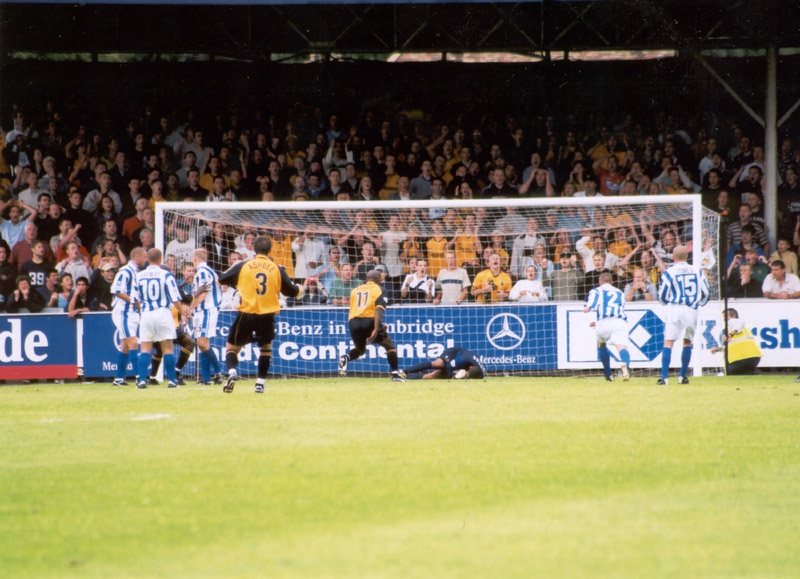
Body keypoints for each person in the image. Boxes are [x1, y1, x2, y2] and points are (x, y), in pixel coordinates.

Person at [219, 236, 303, 394]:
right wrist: (300, 289)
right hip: (267, 314)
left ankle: (232, 373)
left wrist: (234, 269)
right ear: (270, 250)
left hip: (247, 312)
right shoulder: (276, 268)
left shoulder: (244, 265)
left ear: (254, 249)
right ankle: (260, 384)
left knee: (231, 347)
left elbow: (221, 279)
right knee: (266, 348)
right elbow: (291, 292)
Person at [337, 269, 405, 382]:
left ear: (367, 278)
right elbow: (378, 309)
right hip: (369, 321)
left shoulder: (355, 290)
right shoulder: (380, 289)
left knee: (360, 349)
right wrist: (376, 327)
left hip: (353, 322)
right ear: (379, 279)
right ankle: (395, 375)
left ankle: (345, 358)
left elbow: (358, 309)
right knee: (390, 346)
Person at [657, 246, 710, 386]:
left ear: (673, 257)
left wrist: (666, 303)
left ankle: (664, 378)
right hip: (691, 310)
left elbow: (662, 295)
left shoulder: (670, 272)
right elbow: (706, 292)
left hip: (675, 308)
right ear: (687, 256)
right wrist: (697, 304)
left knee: (668, 342)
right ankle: (683, 376)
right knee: (687, 342)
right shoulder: (697, 272)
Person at [135, 248, 184, 389]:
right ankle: (172, 381)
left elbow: (133, 298)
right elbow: (175, 298)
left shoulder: (139, 276)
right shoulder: (166, 275)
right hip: (162, 313)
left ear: (147, 259)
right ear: (161, 259)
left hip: (146, 314)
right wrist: (183, 313)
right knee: (168, 348)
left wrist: (142, 309)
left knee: (145, 348)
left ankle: (142, 380)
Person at [584, 272, 631, 381]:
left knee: (601, 344)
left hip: (603, 323)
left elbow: (592, 303)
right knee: (621, 347)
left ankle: (608, 374)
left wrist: (587, 307)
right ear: (612, 282)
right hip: (619, 322)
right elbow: (618, 309)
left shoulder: (596, 291)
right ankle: (625, 366)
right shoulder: (620, 292)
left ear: (600, 282)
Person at [110, 247, 147, 386]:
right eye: (144, 256)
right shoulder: (125, 271)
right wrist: (134, 302)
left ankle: (119, 378)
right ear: (136, 257)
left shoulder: (135, 272)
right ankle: (140, 377)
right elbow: (116, 290)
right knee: (132, 341)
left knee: (125, 346)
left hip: (131, 312)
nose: (146, 259)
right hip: (124, 312)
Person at [187, 249, 224, 385]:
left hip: (206, 310)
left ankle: (219, 372)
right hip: (203, 310)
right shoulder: (209, 271)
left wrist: (191, 308)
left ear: (195, 259)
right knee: (202, 344)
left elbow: (203, 294)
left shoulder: (202, 272)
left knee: (202, 343)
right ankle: (206, 379)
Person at [709, 308, 762, 376]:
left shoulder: (734, 322)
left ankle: (753, 372)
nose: (723, 319)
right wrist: (718, 349)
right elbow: (733, 347)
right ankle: (753, 372)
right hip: (754, 358)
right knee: (743, 375)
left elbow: (738, 323)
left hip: (742, 359)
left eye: (725, 316)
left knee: (725, 374)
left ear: (734, 316)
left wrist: (730, 334)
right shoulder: (736, 329)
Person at [403, 347, 486, 380]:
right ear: (470, 368)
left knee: (432, 377)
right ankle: (405, 371)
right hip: (454, 354)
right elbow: (448, 367)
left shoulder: (481, 373)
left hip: (462, 366)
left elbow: (475, 375)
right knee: (439, 364)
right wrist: (452, 376)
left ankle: (405, 376)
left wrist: (461, 376)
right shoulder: (464, 359)